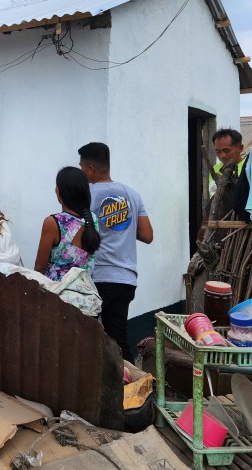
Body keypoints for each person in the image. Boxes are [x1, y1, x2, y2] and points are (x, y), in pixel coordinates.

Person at [78, 142, 153, 362]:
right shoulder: (132, 194)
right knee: (118, 341)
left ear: (91, 169)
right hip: (126, 279)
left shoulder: (86, 196)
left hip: (96, 278)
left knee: (87, 339)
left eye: (81, 167)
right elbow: (147, 235)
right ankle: (133, 389)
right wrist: (123, 226)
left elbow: (79, 234)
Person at [34, 167, 100, 280]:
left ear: (58, 191)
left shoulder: (53, 223)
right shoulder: (92, 219)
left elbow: (40, 267)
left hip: (56, 294)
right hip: (85, 293)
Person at [209, 128, 247, 196]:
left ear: (240, 148)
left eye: (226, 151)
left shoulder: (248, 169)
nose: (222, 155)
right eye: (218, 151)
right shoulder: (215, 170)